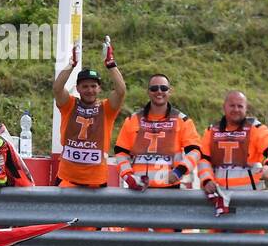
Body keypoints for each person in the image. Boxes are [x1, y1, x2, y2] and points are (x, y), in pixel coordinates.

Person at [52, 41, 126, 188]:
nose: (89, 90)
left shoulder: (106, 108)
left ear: (99, 89)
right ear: (78, 88)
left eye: (93, 86)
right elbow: (57, 89)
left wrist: (111, 64)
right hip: (67, 179)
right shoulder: (69, 105)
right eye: (85, 86)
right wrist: (71, 65)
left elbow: (121, 91)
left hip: (96, 182)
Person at [197, 90, 268, 213]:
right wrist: (206, 180)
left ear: (246, 108)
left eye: (240, 106)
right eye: (232, 105)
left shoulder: (256, 129)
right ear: (224, 107)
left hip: (250, 199)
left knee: (251, 232)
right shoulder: (211, 131)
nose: (236, 109)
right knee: (217, 232)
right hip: (219, 199)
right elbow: (203, 159)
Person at [114, 74, 201, 191]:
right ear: (148, 92)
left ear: (170, 91)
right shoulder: (132, 120)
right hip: (139, 188)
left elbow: (195, 151)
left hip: (170, 189)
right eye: (154, 88)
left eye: (163, 88)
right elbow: (121, 153)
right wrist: (128, 176)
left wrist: (179, 171)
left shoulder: (182, 120)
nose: (159, 91)